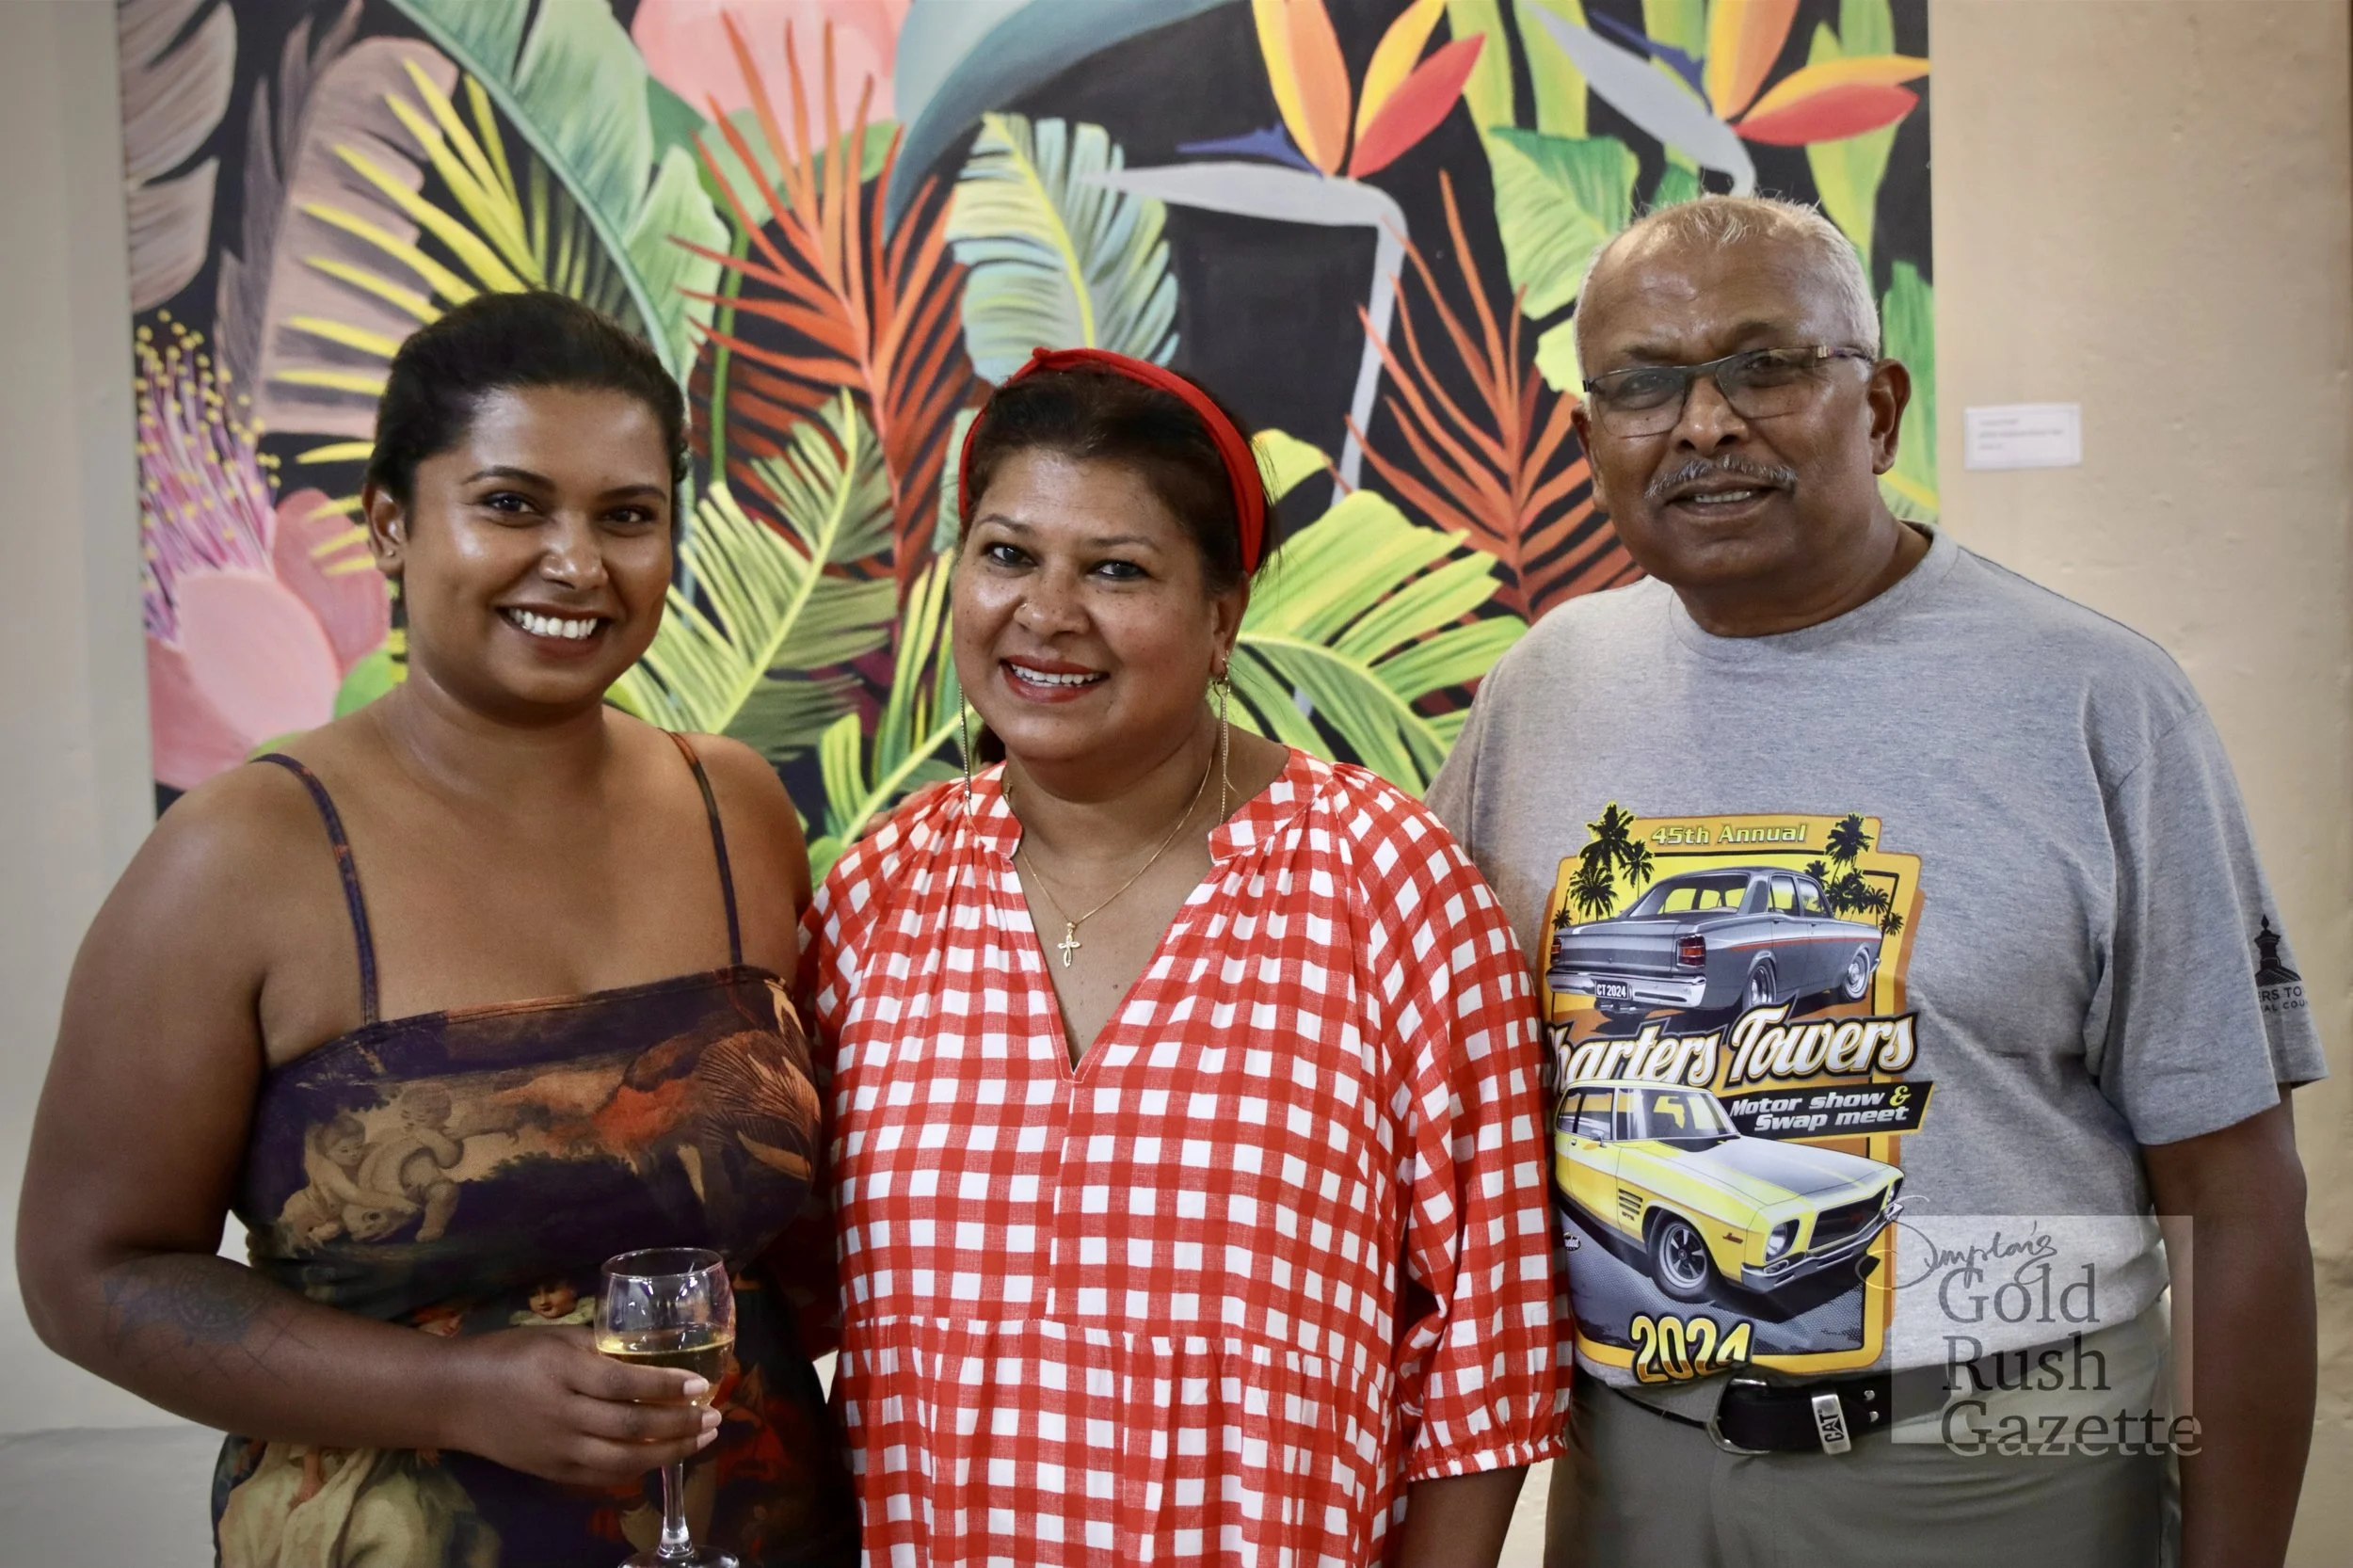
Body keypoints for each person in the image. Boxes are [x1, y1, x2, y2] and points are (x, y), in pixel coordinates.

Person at [1426, 195, 2324, 1568]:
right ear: (1591, 436)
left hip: (1996, 1468)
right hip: (1636, 1473)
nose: (1707, 422)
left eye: (1766, 364)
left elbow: (2237, 1189)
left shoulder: (2093, 701)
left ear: (1882, 406)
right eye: (1646, 385)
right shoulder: (1540, 693)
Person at [16, 291, 858, 1566]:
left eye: (626, 516)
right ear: (392, 524)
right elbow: (91, 1274)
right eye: (513, 504)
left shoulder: (730, 806)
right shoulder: (240, 855)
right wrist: (454, 1393)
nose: (577, 562)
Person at [801, 347, 1565, 1566]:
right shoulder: (881, 892)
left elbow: (1488, 1351)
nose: (1046, 612)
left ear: (1222, 616)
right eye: (1006, 554)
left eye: (1116, 569)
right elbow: (787, 1291)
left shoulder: (1387, 888)